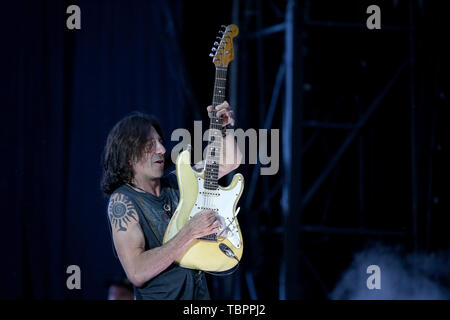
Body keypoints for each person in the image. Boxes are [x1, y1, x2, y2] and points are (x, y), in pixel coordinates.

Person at [101, 102, 242, 300]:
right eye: (150, 145)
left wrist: (224, 129)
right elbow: (137, 272)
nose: (161, 149)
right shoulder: (123, 201)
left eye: (160, 141)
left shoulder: (179, 181)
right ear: (129, 155)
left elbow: (230, 161)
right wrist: (189, 232)